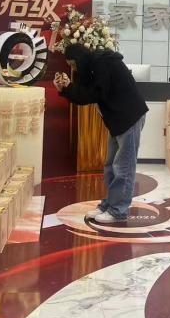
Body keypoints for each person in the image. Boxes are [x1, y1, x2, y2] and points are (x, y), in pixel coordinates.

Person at [54, 43, 148, 224]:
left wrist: (69, 88)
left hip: (129, 117)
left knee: (123, 167)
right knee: (110, 166)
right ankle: (109, 204)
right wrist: (65, 89)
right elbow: (85, 93)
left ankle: (118, 211)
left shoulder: (102, 63)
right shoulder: (93, 66)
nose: (74, 69)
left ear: (80, 59)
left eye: (73, 64)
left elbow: (96, 94)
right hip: (118, 120)